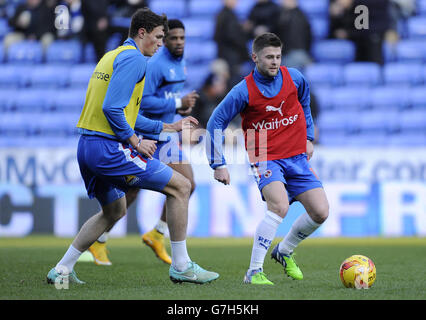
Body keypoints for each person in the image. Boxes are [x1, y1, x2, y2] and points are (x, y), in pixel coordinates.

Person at [46, 8, 219, 285]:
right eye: (159, 36)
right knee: (182, 186)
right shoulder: (136, 60)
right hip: (107, 148)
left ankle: (61, 271)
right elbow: (112, 109)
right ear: (142, 33)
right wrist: (135, 141)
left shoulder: (111, 56)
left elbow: (126, 112)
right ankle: (182, 265)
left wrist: (168, 127)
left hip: (87, 146)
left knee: (115, 211)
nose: (161, 43)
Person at [206, 33, 329, 285]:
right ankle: (253, 272)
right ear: (255, 58)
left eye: (278, 56)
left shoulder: (294, 77)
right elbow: (215, 122)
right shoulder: (243, 91)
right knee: (279, 207)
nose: (274, 62)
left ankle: (284, 251)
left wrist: (308, 136)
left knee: (320, 212)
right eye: (269, 57)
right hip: (265, 157)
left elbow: (304, 103)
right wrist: (218, 163)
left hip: (296, 157)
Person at [90, 19, 200, 266]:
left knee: (188, 184)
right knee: (131, 192)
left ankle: (156, 234)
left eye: (182, 38)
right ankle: (102, 238)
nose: (177, 42)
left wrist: (178, 109)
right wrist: (177, 104)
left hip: (166, 135)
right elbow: (142, 102)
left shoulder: (179, 62)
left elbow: (166, 97)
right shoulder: (154, 64)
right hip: (149, 134)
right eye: (172, 38)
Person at [214, 0, 250, 88]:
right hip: (231, 58)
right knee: (232, 85)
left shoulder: (223, 15)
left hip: (225, 56)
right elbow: (233, 37)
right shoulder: (227, 16)